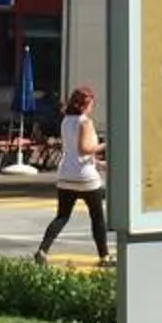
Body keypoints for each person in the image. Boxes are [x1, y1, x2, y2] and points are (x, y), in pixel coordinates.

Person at [36, 84, 110, 264]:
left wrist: (98, 163)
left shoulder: (66, 121)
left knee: (62, 216)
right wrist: (104, 144)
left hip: (66, 175)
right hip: (85, 178)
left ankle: (43, 249)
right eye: (91, 104)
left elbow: (72, 151)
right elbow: (84, 149)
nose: (92, 107)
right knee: (97, 218)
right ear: (85, 105)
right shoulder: (85, 122)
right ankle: (104, 256)